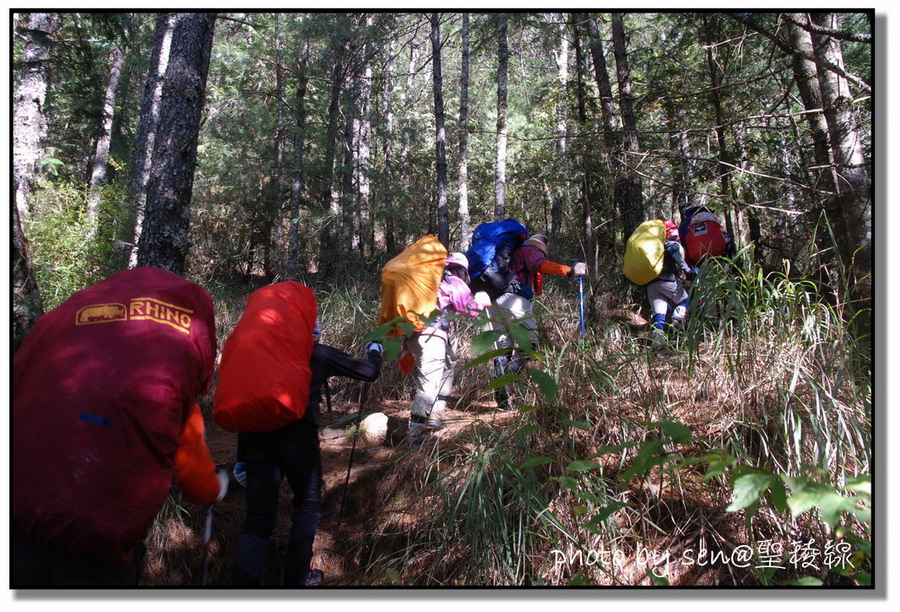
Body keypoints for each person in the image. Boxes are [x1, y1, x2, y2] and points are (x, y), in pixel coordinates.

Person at [12, 267, 228, 587]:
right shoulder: (168, 380)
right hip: (98, 555)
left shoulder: (53, 331)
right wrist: (216, 487)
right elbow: (196, 480)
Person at [231, 321, 383, 587]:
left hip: (257, 438)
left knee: (257, 519)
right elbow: (369, 372)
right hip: (299, 437)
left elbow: (248, 401)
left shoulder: (259, 354)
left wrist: (242, 458)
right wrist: (374, 350)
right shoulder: (315, 353)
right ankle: (297, 578)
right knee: (307, 504)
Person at [488, 234, 587, 408]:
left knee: (502, 350)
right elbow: (540, 264)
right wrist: (569, 270)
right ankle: (511, 385)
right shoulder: (531, 250)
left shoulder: (513, 253)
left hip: (493, 301)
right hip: (514, 300)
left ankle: (503, 400)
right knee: (530, 345)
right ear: (542, 246)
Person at [405, 252, 490, 447]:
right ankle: (415, 435)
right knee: (428, 384)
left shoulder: (427, 279)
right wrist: (481, 301)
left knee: (450, 362)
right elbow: (468, 309)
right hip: (432, 336)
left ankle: (436, 413)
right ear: (462, 269)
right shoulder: (453, 280)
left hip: (413, 336)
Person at [647, 220, 697, 350]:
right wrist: (693, 272)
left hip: (650, 285)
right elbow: (684, 267)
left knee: (659, 316)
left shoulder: (652, 247)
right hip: (667, 281)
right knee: (685, 300)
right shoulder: (671, 245)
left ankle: (659, 348)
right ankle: (677, 318)